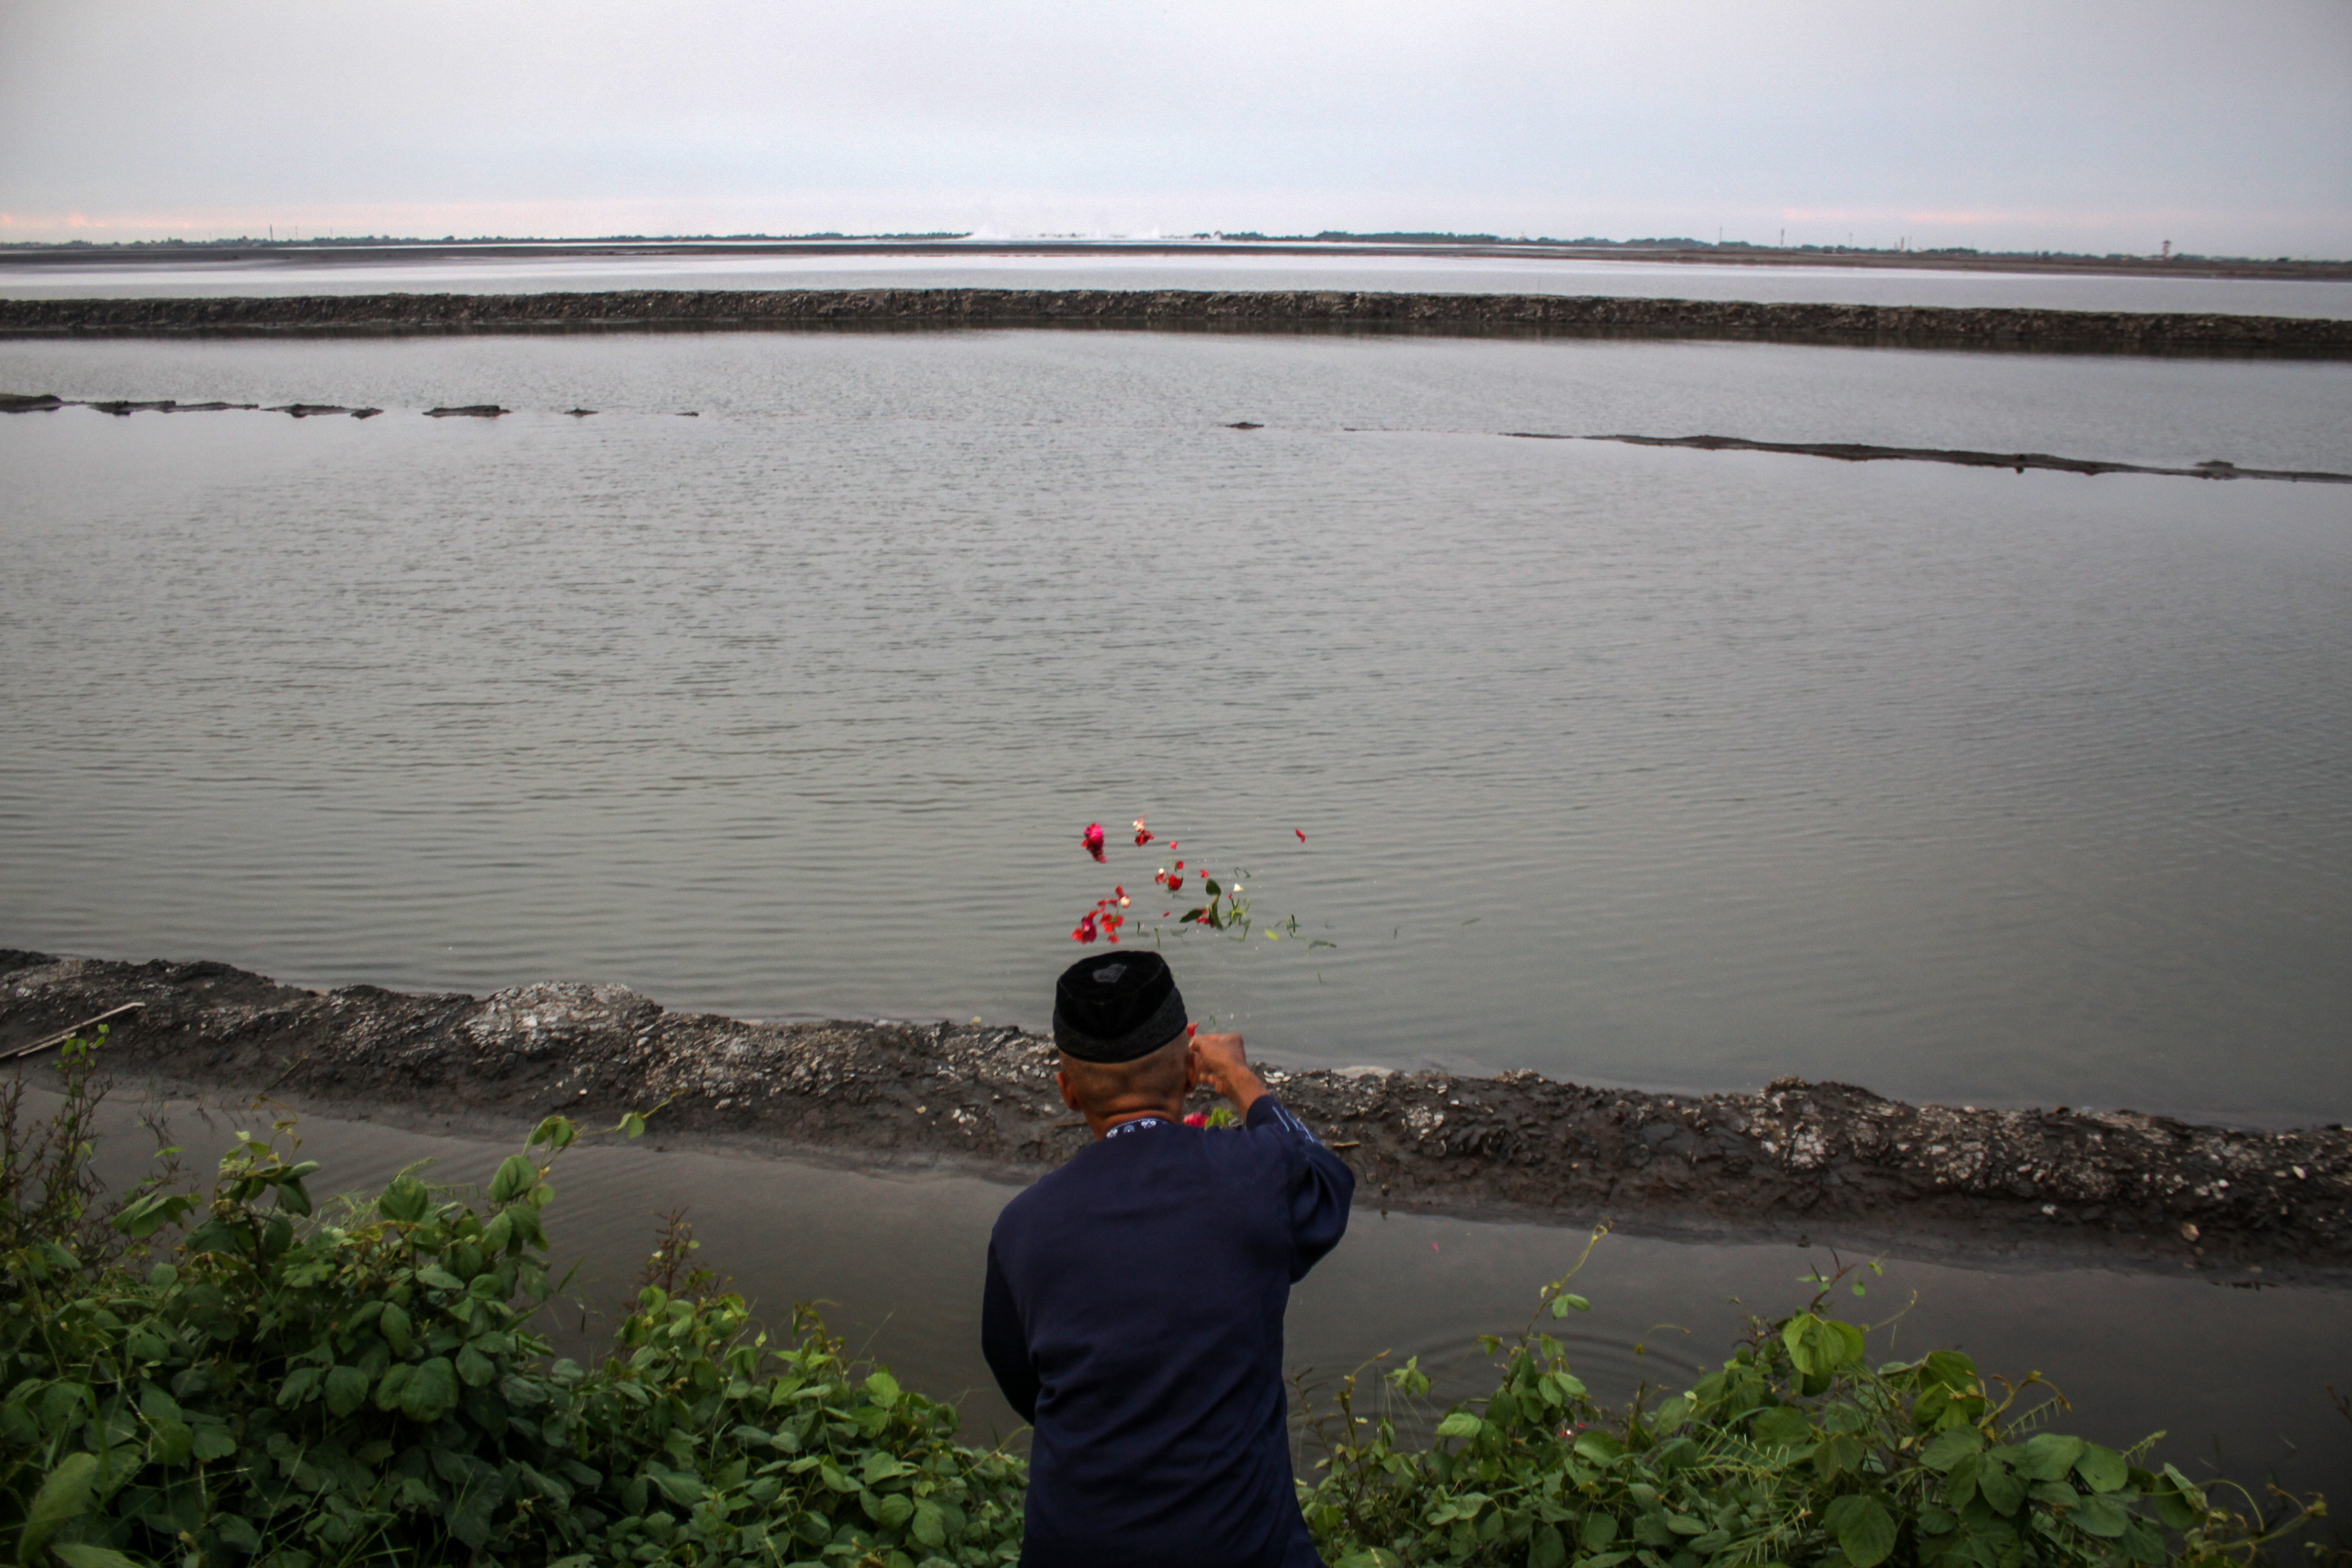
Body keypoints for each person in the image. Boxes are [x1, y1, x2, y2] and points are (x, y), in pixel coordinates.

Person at [981, 951, 1355, 1568]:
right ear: (1188, 1072)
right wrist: (1238, 1078)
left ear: (1067, 1089)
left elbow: (1025, 1385)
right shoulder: (1253, 1175)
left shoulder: (1023, 1228)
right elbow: (1327, 1182)